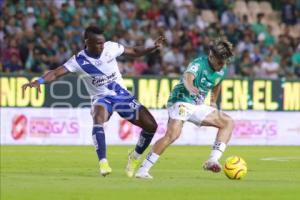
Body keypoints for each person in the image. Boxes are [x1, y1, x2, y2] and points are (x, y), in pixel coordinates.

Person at [22, 26, 166, 177]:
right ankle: (103, 162)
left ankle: (134, 157)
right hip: (101, 98)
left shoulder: (111, 47)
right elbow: (56, 72)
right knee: (98, 118)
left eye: (102, 42)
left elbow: (134, 52)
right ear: (87, 42)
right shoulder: (78, 60)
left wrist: (152, 47)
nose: (101, 46)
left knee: (151, 126)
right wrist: (39, 81)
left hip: (121, 95)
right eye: (97, 43)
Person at [135, 38, 235, 179]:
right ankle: (142, 170)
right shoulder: (198, 64)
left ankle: (212, 160)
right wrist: (190, 87)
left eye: (224, 63)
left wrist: (212, 101)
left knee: (228, 122)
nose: (221, 66)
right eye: (219, 62)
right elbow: (188, 77)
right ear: (211, 56)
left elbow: (217, 84)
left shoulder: (221, 69)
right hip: (181, 101)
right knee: (172, 135)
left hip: (196, 105)